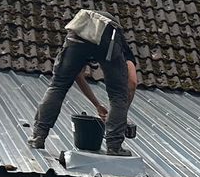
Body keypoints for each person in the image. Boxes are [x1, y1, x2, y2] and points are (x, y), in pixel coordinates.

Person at [30, 8, 140, 155]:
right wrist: (121, 116)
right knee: (118, 95)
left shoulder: (84, 39)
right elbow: (132, 83)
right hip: (109, 31)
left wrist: (98, 106)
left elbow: (75, 74)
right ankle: (114, 147)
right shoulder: (122, 46)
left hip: (80, 26)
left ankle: (38, 136)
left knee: (58, 86)